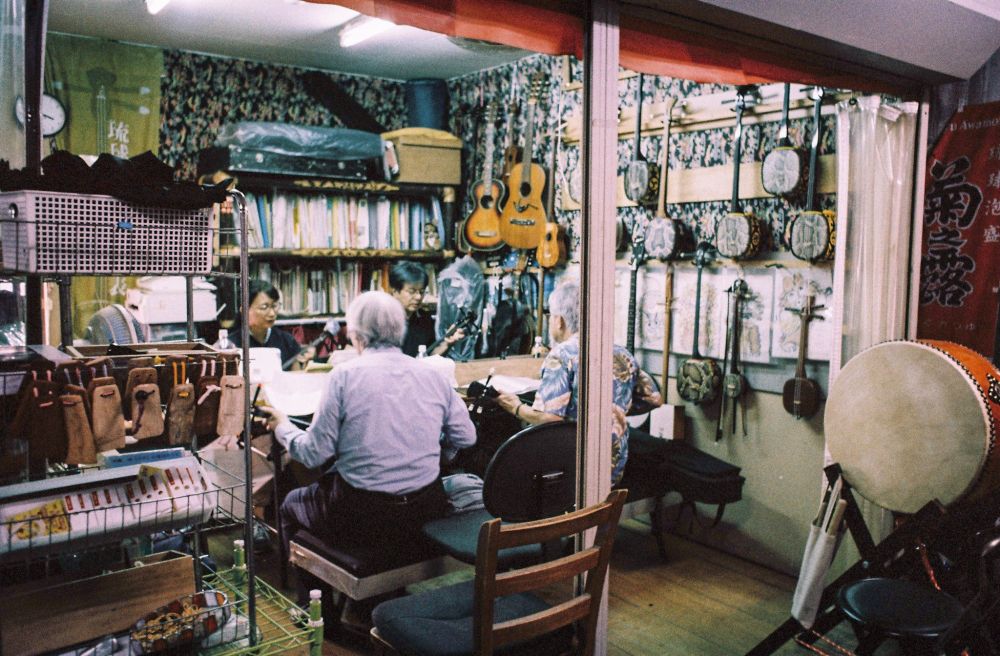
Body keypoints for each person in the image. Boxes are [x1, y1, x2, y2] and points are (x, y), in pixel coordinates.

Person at [262, 290, 476, 554]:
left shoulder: (344, 376)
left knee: (291, 504)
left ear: (356, 334)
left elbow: (313, 454)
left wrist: (282, 425)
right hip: (426, 508)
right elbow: (466, 437)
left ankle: (315, 594)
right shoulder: (432, 374)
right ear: (400, 329)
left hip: (362, 516)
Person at [496, 277, 662, 486]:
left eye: (551, 316)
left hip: (574, 467)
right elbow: (654, 398)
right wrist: (615, 409)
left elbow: (550, 419)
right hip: (613, 465)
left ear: (560, 321)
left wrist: (516, 408)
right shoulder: (620, 353)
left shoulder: (561, 355)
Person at [230, 279, 312, 370]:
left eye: (274, 306)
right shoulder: (231, 345)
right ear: (244, 310)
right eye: (264, 307)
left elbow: (296, 377)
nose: (272, 313)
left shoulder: (287, 341)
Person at [389, 261, 464, 357]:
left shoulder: (425, 320)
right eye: (412, 291)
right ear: (395, 291)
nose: (418, 297)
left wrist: (447, 344)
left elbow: (428, 357)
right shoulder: (381, 321)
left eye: (422, 291)